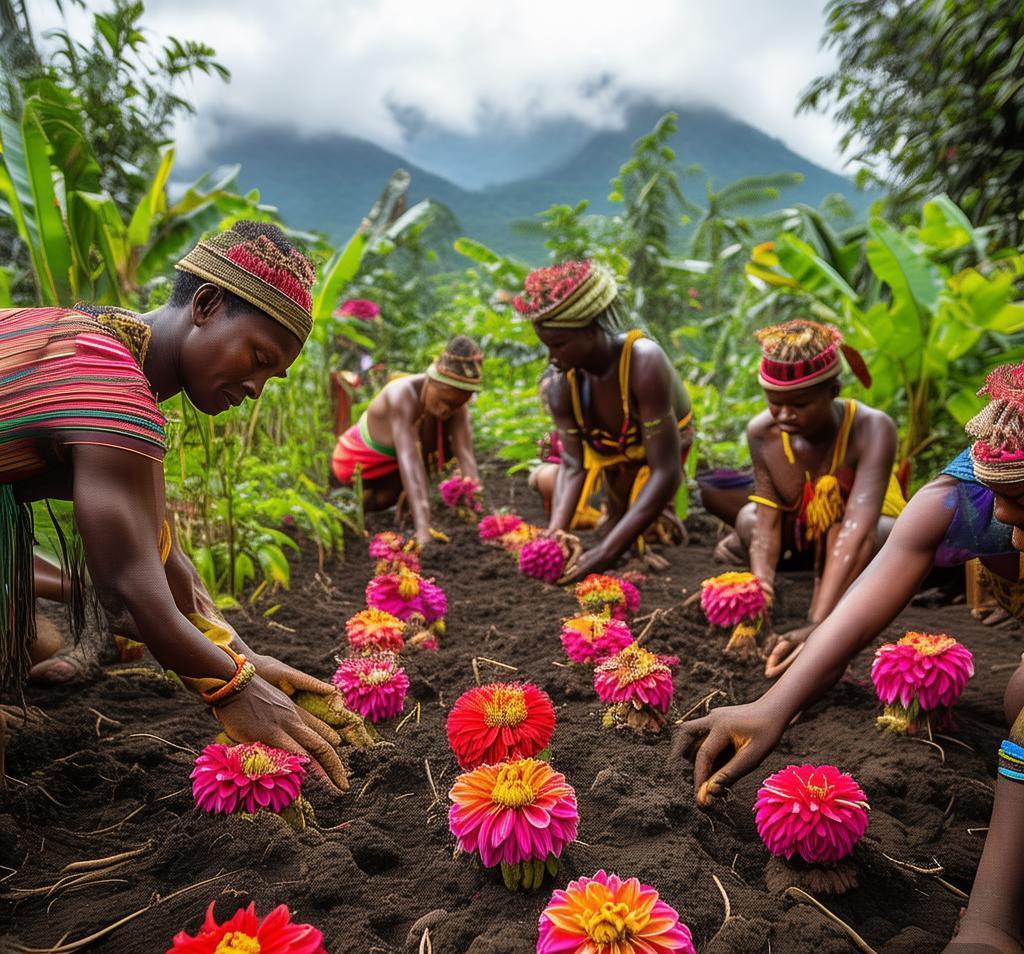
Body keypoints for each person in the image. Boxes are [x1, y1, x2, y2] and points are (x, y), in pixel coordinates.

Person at [677, 360, 1024, 953]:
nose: (1009, 530)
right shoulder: (962, 494)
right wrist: (772, 707)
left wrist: (989, 925)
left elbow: (860, 524)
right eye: (1002, 509)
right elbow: (865, 603)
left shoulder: (874, 430)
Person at [1, 221, 350, 790]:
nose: (258, 387)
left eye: (274, 375)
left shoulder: (112, 347)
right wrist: (234, 692)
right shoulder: (111, 385)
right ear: (207, 304)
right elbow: (127, 593)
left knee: (32, 645)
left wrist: (243, 657)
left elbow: (164, 558)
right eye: (258, 356)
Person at [701, 319, 906, 675]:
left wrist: (819, 625)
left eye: (798, 404)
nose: (783, 414)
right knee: (748, 518)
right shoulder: (762, 432)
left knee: (865, 532)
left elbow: (857, 529)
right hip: (806, 538)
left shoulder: (873, 428)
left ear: (833, 390)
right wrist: (760, 593)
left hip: (863, 540)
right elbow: (767, 520)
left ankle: (837, 603)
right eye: (774, 403)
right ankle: (786, 576)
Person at [514, 259, 693, 581]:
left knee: (633, 532)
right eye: (547, 346)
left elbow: (665, 470)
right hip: (614, 457)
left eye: (559, 345)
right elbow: (573, 462)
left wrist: (607, 553)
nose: (552, 358)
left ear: (592, 329)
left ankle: (645, 522)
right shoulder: (562, 385)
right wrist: (556, 532)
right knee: (613, 527)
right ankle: (620, 518)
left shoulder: (643, 361)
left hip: (663, 451)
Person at [331, 336, 483, 546]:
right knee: (373, 501)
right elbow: (409, 460)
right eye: (444, 401)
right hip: (356, 460)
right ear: (430, 381)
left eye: (457, 405)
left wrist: (480, 512)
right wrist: (423, 529)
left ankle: (401, 506)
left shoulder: (456, 408)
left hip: (392, 466)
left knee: (392, 494)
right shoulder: (401, 395)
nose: (447, 410)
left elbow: (466, 456)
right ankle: (345, 509)